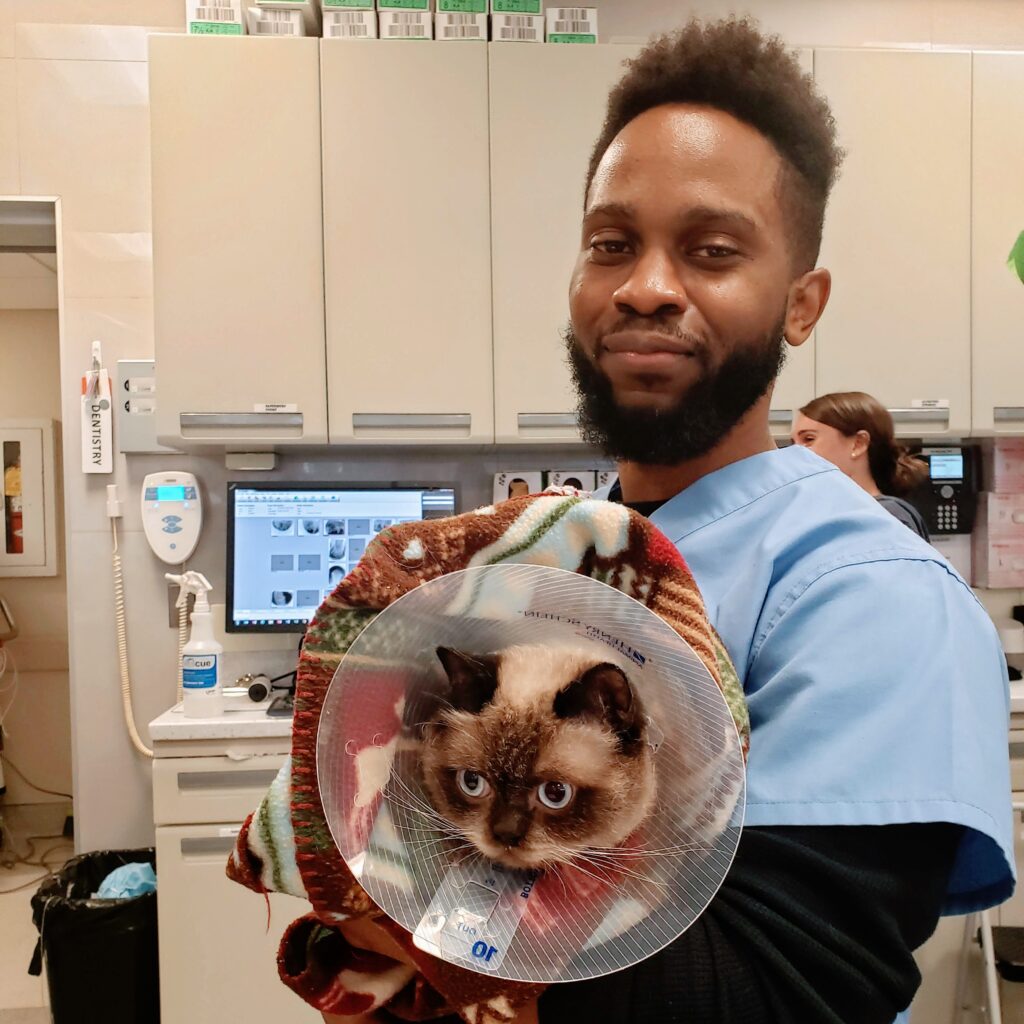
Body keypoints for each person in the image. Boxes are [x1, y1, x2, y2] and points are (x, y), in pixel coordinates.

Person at [328, 17, 1012, 1024]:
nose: (647, 286)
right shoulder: (547, 564)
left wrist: (401, 884)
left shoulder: (871, 599)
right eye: (612, 244)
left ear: (801, 303)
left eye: (711, 249)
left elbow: (773, 1001)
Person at [792, 391, 931, 540]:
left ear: (858, 444)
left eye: (808, 439)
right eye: (793, 443)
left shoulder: (886, 518)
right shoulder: (823, 515)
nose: (794, 451)